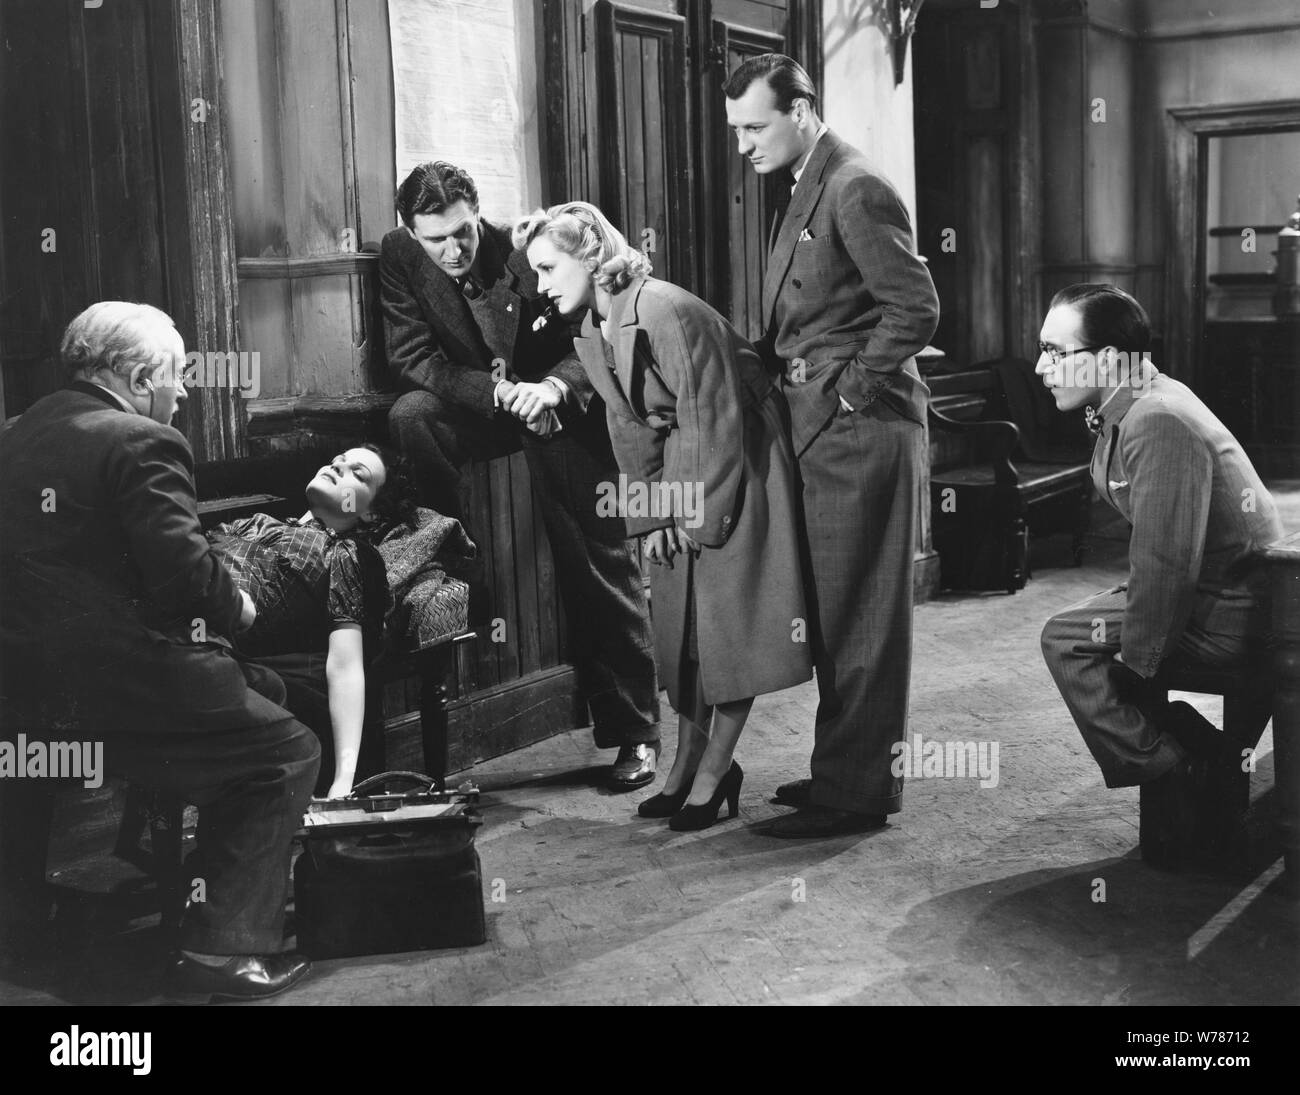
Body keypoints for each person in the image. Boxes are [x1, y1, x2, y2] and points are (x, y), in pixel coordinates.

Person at [0, 302, 318, 999]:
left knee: (262, 688)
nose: (182, 392)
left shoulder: (16, 434)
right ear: (142, 376)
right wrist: (237, 603)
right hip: (120, 686)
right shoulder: (143, 439)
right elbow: (182, 574)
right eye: (177, 377)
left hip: (20, 694)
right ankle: (223, 947)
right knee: (284, 751)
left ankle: (19, 928)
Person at [519, 202, 814, 830]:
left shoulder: (662, 309)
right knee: (681, 628)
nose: (540, 286)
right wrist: (652, 518)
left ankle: (715, 772)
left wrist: (693, 517)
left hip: (738, 465)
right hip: (683, 471)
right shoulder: (599, 322)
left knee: (730, 628)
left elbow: (714, 418)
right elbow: (628, 429)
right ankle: (687, 764)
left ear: (589, 255)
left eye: (547, 269)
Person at [380, 161, 662, 790]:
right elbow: (412, 358)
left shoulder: (525, 247)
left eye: (463, 233)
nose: (453, 250)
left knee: (596, 558)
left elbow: (601, 325)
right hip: (488, 401)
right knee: (411, 417)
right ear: (410, 232)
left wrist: (557, 386)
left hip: (560, 404)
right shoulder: (401, 255)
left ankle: (635, 733)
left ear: (478, 215)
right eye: (436, 240)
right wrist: (500, 393)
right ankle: (451, 564)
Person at [724, 55, 940, 836]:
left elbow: (915, 309)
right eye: (736, 129)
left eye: (755, 126)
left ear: (802, 109)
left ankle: (855, 796)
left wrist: (850, 388)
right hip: (819, 429)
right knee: (838, 614)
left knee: (864, 618)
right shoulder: (804, 184)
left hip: (861, 430)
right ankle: (839, 772)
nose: (743, 144)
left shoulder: (853, 185)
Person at [1036, 284, 1284, 858]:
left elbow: (1166, 565)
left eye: (1056, 352)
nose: (1041, 366)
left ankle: (1186, 767)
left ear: (1106, 359)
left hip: (1234, 611)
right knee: (1088, 628)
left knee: (1065, 640)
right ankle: (1193, 754)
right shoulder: (1136, 397)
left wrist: (1139, 663)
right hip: (1220, 588)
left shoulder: (1157, 418)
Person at [208, 444, 416, 798]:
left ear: (369, 515)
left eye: (357, 473)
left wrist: (343, 780)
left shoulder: (344, 553)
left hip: (218, 646)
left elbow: (346, 665)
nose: (338, 465)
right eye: (339, 459)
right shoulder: (254, 522)